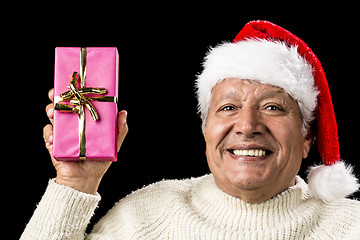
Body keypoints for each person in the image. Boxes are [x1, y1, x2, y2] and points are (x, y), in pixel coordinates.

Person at [21, 20, 360, 239]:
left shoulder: (350, 227)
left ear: (306, 138)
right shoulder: (145, 215)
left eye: (272, 108)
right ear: (205, 130)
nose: (247, 126)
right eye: (228, 108)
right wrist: (75, 185)